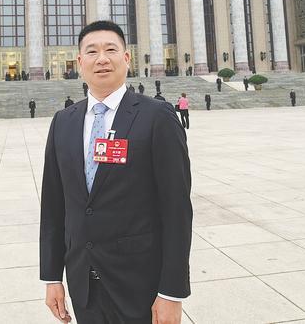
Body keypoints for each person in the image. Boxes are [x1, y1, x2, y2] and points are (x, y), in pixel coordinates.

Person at [40, 20, 192, 324]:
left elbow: (177, 209)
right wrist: (52, 276)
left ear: (126, 58)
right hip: (84, 285)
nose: (102, 59)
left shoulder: (157, 117)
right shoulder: (63, 122)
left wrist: (171, 292)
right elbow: (54, 207)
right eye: (92, 52)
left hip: (140, 285)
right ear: (79, 62)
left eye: (110, 50)